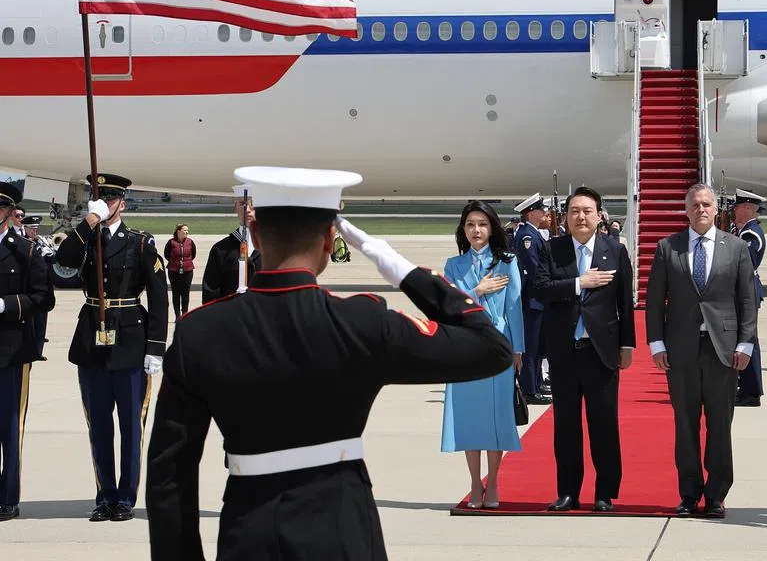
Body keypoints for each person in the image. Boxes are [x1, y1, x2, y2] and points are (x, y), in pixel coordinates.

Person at [145, 166, 514, 560]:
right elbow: (491, 348)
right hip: (343, 533)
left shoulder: (200, 332)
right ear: (329, 240)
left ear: (254, 234)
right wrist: (399, 269)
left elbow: (169, 477)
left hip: (249, 535)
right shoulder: (362, 322)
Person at [54, 173, 169, 522]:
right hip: (92, 341)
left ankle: (125, 497)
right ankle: (105, 495)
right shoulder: (87, 239)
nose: (106, 204)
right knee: (99, 424)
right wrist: (89, 220)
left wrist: (156, 348)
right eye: (100, 199)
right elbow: (65, 259)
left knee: (130, 426)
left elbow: (160, 299)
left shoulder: (139, 244)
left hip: (130, 341)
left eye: (111, 199)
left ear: (122, 202)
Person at [645, 183, 757, 518]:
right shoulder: (669, 248)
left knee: (720, 426)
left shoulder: (736, 248)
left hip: (723, 351)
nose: (702, 209)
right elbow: (654, 301)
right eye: (695, 205)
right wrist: (656, 343)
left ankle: (716, 494)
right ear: (687, 209)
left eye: (707, 204)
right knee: (686, 425)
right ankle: (689, 493)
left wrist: (745, 342)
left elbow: (747, 301)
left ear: (715, 209)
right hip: (681, 351)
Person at [533, 186, 634, 512]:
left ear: (599, 215)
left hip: (600, 351)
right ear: (565, 217)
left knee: (604, 424)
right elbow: (542, 288)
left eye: (587, 211)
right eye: (574, 211)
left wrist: (627, 345)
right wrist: (579, 283)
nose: (581, 217)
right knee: (566, 426)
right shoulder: (553, 249)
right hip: (564, 351)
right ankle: (568, 491)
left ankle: (605, 492)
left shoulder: (614, 250)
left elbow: (625, 303)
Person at [441, 200, 525, 509]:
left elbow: (515, 307)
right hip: (465, 349)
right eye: (471, 225)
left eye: (482, 224)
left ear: (492, 228)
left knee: (497, 418)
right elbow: (446, 307)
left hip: (497, 348)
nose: (477, 230)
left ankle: (494, 481)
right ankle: (475, 484)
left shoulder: (507, 261)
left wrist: (518, 349)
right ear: (463, 230)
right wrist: (477, 290)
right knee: (470, 418)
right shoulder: (453, 265)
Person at [0, 182, 55, 521]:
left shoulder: (25, 250)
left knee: (8, 427)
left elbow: (43, 298)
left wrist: (5, 305)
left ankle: (7, 497)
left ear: (7, 213)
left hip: (10, 350)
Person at [513, 193, 551, 404]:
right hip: (533, 299)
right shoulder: (527, 237)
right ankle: (529, 390)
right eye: (541, 210)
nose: (545, 213)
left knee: (538, 345)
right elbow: (535, 269)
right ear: (531, 213)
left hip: (538, 299)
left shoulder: (534, 233)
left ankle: (536, 383)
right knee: (531, 346)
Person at [733, 189, 766, 407]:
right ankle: (745, 387)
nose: (733, 210)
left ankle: (751, 391)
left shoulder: (750, 235)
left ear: (747, 208)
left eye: (737, 206)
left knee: (748, 340)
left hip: (746, 290)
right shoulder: (743, 231)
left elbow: (745, 264)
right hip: (741, 290)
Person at [201, 185, 261, 304]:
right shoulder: (220, 250)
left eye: (253, 204)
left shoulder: (273, 249)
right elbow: (211, 294)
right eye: (242, 204)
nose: (247, 209)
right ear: (235, 207)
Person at [19, 215, 51, 361]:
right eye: (32, 229)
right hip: (28, 289)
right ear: (25, 228)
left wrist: (48, 255)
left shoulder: (40, 242)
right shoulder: (22, 243)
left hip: (42, 288)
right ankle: (31, 349)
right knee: (30, 324)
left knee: (41, 323)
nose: (35, 231)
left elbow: (54, 262)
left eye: (36, 229)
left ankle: (38, 351)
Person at [164, 224, 196, 317]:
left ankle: (185, 315)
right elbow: (167, 254)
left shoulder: (190, 242)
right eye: (185, 230)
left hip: (187, 271)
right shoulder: (171, 242)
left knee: (185, 293)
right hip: (174, 271)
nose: (187, 232)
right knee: (176, 293)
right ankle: (177, 316)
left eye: (187, 230)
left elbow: (193, 254)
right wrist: (175, 262)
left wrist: (185, 262)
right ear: (178, 231)